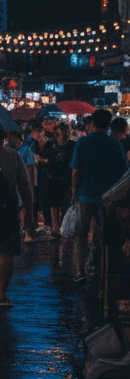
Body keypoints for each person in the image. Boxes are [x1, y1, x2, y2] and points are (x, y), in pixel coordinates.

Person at [70, 109, 130, 282]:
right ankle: (96, 266)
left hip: (85, 195)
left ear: (92, 123)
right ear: (108, 125)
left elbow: (76, 171)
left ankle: (80, 271)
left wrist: (75, 192)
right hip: (108, 199)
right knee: (101, 234)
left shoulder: (82, 143)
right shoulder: (116, 145)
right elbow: (124, 172)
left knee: (81, 234)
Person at [0, 127, 37, 307]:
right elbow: (25, 187)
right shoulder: (14, 156)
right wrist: (29, 215)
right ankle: (1, 293)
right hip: (7, 211)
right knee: (6, 253)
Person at [41, 122, 75, 233]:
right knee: (54, 204)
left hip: (68, 178)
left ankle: (63, 227)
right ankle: (55, 228)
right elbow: (43, 158)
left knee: (66, 204)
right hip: (53, 178)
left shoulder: (72, 145)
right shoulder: (50, 145)